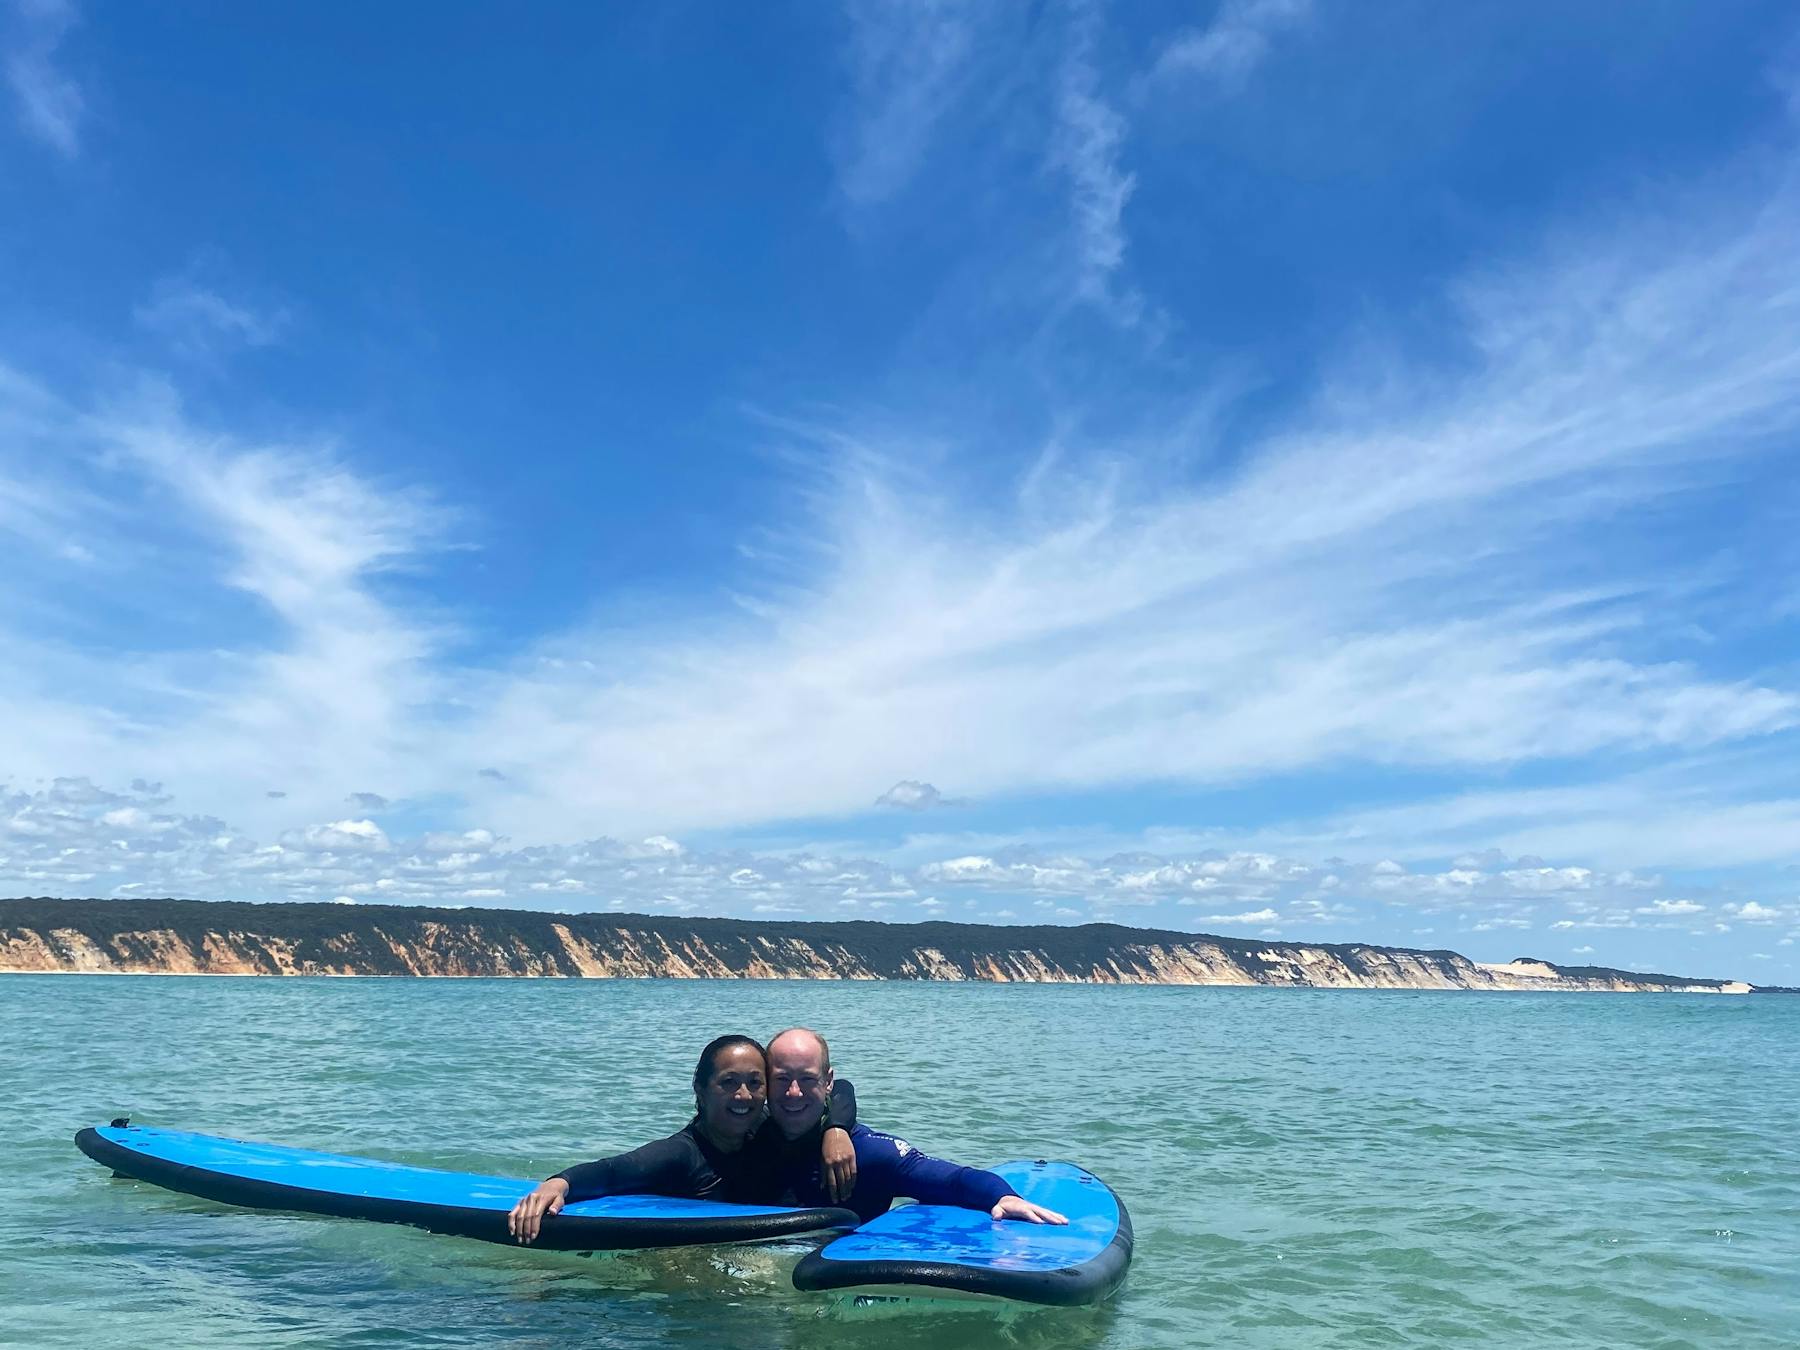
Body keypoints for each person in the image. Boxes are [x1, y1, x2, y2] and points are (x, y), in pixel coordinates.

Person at [507, 1033, 854, 1244]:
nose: (744, 1096)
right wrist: (558, 1184)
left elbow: (840, 1089)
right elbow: (615, 1171)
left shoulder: (765, 1125)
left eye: (754, 1082)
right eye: (728, 1082)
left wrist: (835, 1129)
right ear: (701, 1090)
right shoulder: (680, 1154)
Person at [762, 1026, 1068, 1226]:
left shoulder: (868, 1153)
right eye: (781, 1078)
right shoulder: (747, 1137)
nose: (794, 1092)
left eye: (807, 1079)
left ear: (828, 1081)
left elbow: (951, 1179)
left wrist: (1003, 1197)